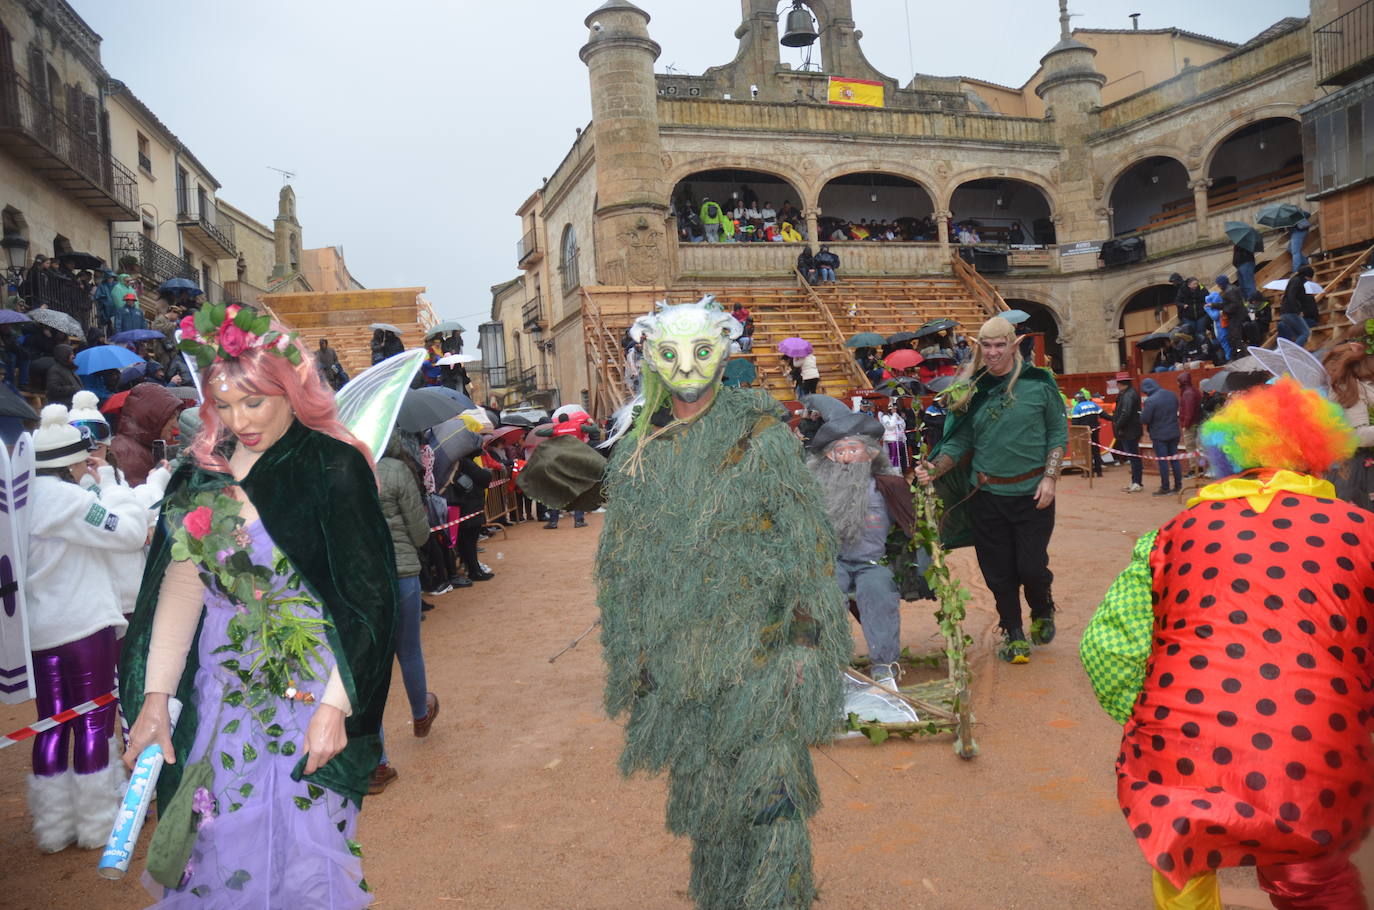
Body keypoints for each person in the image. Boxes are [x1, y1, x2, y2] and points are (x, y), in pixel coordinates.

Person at [563, 295, 848, 909]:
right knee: (711, 807)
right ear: (650, 359)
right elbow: (622, 568)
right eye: (670, 354)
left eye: (701, 350)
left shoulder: (763, 436)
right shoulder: (643, 448)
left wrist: (802, 651)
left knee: (774, 799)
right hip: (683, 664)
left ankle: (779, 899)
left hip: (763, 655)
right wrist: (635, 657)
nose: (688, 368)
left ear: (725, 349)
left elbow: (809, 549)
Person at [119, 304, 397, 906]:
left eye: (254, 402)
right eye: (222, 403)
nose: (237, 420)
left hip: (306, 692)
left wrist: (336, 708)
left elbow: (368, 600)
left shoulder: (332, 466)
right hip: (218, 697)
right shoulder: (199, 474)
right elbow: (182, 586)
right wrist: (158, 696)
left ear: (290, 390)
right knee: (215, 840)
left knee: (302, 850)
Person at [1080, 378, 1372, 909]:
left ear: (1227, 457)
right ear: (1321, 459)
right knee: (1312, 879)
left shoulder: (1174, 532)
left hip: (1182, 740)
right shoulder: (1361, 532)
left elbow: (1109, 647)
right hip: (1310, 747)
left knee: (1184, 856)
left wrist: (1149, 715)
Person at [24, 404, 151, 853]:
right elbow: (130, 532)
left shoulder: (20, 499)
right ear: (68, 463)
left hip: (39, 633)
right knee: (95, 719)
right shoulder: (71, 499)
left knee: (52, 724)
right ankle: (98, 824)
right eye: (80, 458)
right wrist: (109, 487)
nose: (86, 463)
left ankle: (54, 828)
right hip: (83, 626)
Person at [915, 315, 1066, 663]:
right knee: (999, 572)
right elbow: (961, 441)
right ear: (978, 347)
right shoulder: (972, 391)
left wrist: (1050, 478)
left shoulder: (1039, 384)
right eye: (987, 345)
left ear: (1014, 345)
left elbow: (1057, 436)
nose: (994, 352)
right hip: (985, 497)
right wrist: (935, 469)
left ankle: (1042, 608)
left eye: (1000, 345)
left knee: (1031, 568)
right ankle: (1013, 633)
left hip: (1033, 496)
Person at [806, 410, 919, 692]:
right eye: (838, 450)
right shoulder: (817, 489)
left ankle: (884, 667)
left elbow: (914, 521)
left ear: (869, 454)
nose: (846, 456)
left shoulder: (888, 486)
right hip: (834, 563)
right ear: (828, 457)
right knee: (826, 593)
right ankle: (832, 665)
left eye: (853, 448)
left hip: (873, 562)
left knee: (878, 591)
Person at [369, 432, 440, 794]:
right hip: (400, 574)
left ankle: (377, 764)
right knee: (409, 650)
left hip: (360, 579)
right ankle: (420, 713)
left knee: (369, 669)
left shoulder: (341, 468)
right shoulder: (396, 470)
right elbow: (420, 532)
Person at [1322, 337, 1374, 512]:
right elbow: (1356, 436)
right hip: (1356, 467)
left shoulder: (1338, 387)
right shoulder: (1349, 388)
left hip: (1342, 464)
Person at [109, 381, 186, 487]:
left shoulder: (143, 446)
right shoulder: (127, 455)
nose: (175, 426)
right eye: (171, 417)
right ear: (151, 417)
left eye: (176, 417)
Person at [1139, 378, 1182, 495]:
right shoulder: (1171, 395)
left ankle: (1165, 487)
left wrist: (1140, 415)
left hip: (1159, 434)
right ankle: (1178, 486)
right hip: (1174, 431)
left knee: (1163, 461)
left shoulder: (1150, 401)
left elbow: (1145, 419)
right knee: (1174, 460)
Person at [1112, 372, 1144, 492]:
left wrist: (1117, 425)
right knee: (1133, 457)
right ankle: (1135, 481)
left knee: (1133, 457)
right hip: (1131, 429)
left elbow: (1125, 413)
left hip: (1129, 430)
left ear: (1120, 384)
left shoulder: (1127, 395)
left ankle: (1137, 482)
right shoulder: (1129, 393)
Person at [1176, 372, 1201, 477]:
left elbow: (1189, 410)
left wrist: (1185, 424)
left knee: (1190, 446)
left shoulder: (1187, 393)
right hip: (1196, 422)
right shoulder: (1193, 390)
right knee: (1196, 446)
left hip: (1190, 424)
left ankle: (1195, 469)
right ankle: (1198, 468)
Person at [44, 342, 82, 408]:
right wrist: (72, 389)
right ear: (64, 355)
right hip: (62, 409)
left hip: (73, 406)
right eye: (71, 354)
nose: (73, 356)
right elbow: (53, 389)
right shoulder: (55, 370)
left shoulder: (70, 369)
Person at [879, 404, 906, 470]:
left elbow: (903, 425)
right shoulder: (885, 417)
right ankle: (894, 471)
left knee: (900, 456)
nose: (895, 410)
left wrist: (898, 417)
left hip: (899, 439)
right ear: (890, 409)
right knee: (893, 456)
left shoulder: (896, 416)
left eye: (896, 409)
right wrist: (894, 416)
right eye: (893, 409)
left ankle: (899, 469)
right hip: (891, 439)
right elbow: (890, 426)